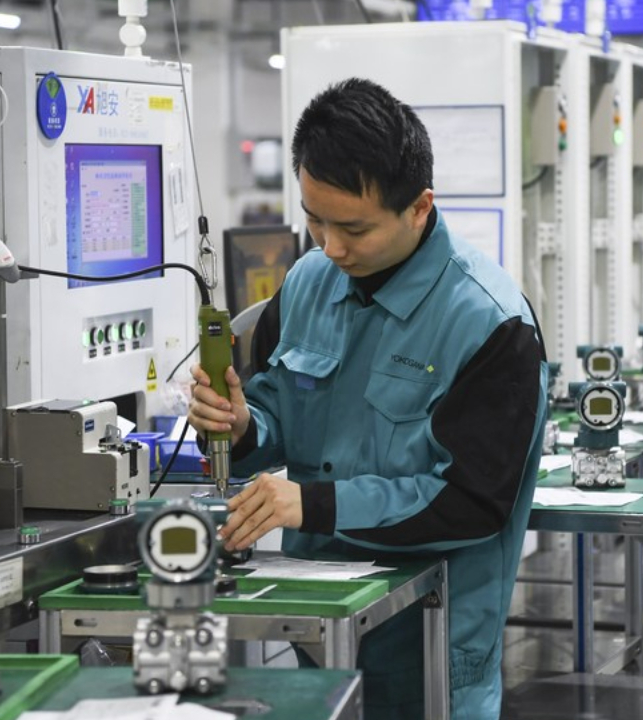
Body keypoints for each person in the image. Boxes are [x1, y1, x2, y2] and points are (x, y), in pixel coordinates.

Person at [188, 78, 548, 719]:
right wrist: (241, 425)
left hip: (431, 654)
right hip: (316, 636)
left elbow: (471, 503)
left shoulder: (489, 322)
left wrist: (314, 504)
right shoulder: (306, 283)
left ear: (419, 207)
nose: (330, 246)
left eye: (352, 227)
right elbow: (277, 414)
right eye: (314, 220)